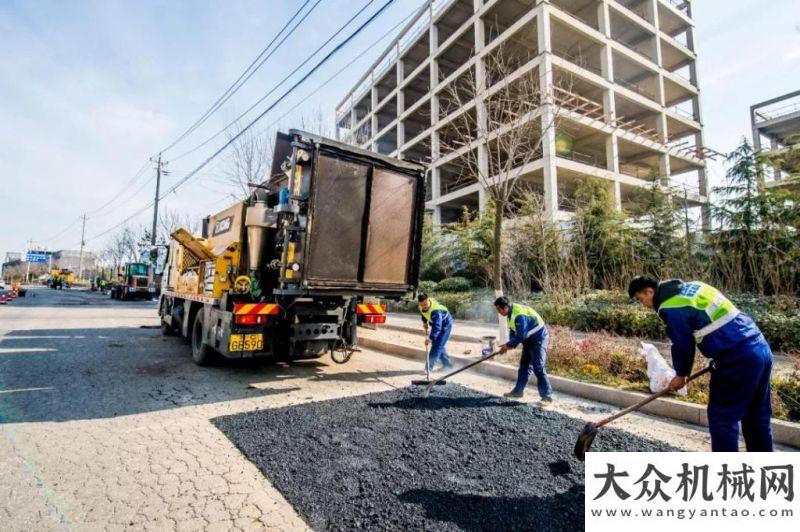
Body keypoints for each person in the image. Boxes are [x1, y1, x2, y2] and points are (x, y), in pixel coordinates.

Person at [628, 275, 773, 452]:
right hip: (759, 348)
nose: (644, 304)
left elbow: (682, 344)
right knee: (757, 417)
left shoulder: (670, 307)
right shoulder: (695, 287)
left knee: (722, 419)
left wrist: (681, 375)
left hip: (736, 359)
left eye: (641, 299)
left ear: (650, 292)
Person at [494, 296, 553, 404]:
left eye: (499, 310)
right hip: (529, 339)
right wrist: (509, 345)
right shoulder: (510, 314)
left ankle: (547, 397)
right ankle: (518, 391)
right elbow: (514, 332)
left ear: (505, 307)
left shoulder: (519, 315)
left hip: (539, 338)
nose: (498, 312)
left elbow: (521, 335)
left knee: (538, 367)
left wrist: (508, 346)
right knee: (524, 366)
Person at [418, 293, 454, 372]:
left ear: (428, 300)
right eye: (422, 304)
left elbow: (437, 327)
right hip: (437, 324)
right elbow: (423, 314)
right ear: (419, 303)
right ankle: (448, 365)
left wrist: (430, 338)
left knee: (437, 346)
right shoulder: (421, 307)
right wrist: (425, 323)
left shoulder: (435, 311)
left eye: (425, 303)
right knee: (438, 345)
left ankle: (429, 368)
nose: (424, 306)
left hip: (445, 324)